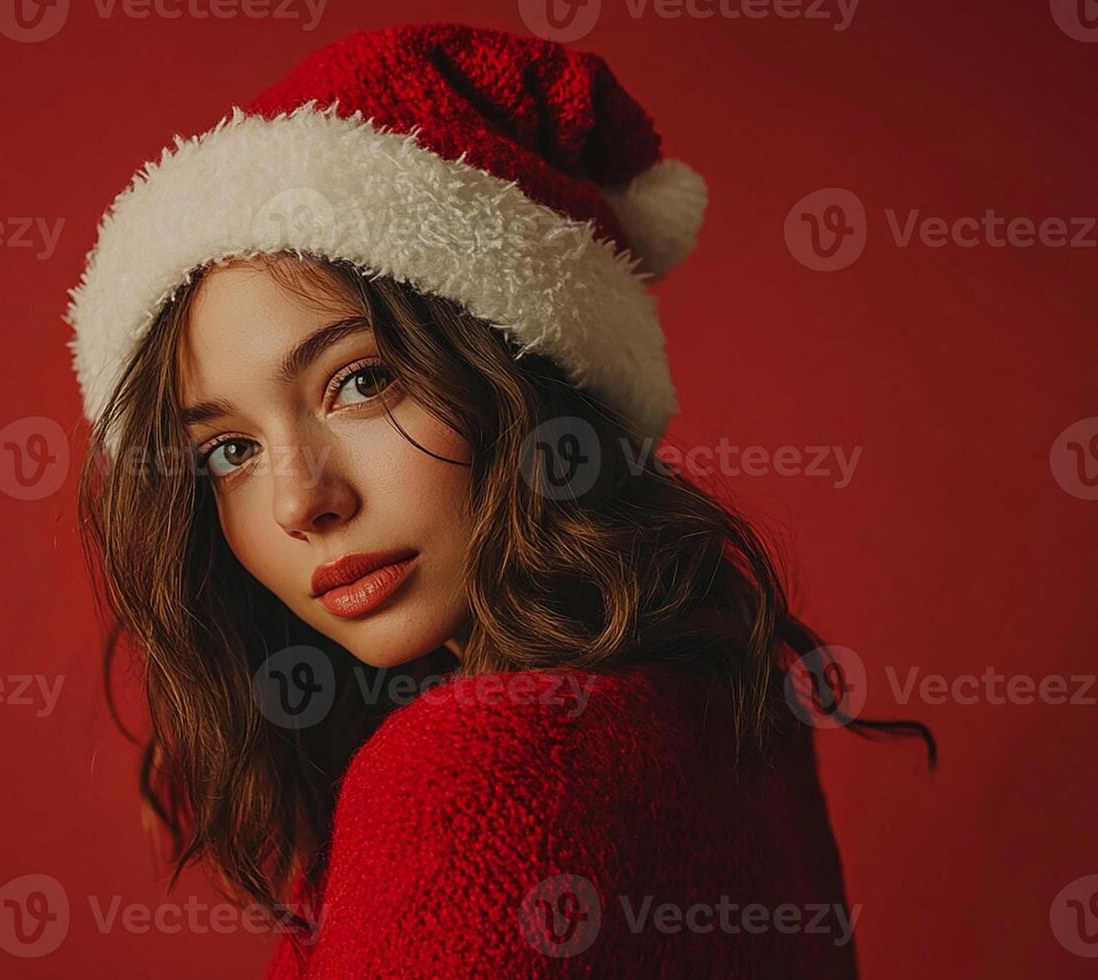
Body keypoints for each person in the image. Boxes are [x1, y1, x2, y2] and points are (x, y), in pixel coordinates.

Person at [66, 22, 932, 978]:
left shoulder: (477, 773)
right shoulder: (721, 677)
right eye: (230, 449)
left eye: (360, 382)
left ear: (526, 374)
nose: (298, 502)